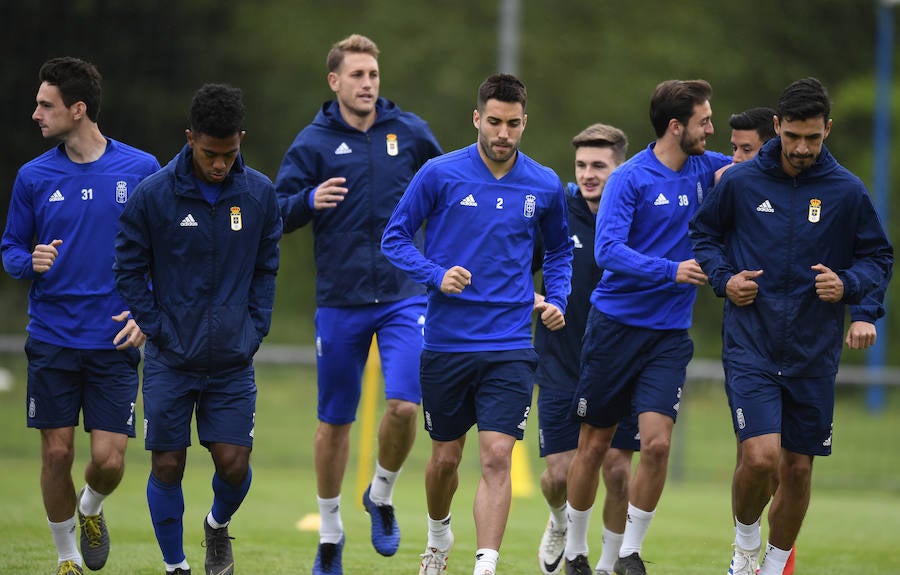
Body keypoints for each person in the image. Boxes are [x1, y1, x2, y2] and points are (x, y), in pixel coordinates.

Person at [689, 77, 893, 575]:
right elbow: (704, 236)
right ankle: (743, 549)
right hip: (752, 344)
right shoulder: (739, 183)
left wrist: (853, 295)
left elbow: (877, 256)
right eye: (794, 136)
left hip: (812, 351)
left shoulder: (846, 191)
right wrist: (724, 279)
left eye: (814, 138)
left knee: (798, 468)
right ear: (777, 127)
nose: (802, 148)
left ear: (828, 130)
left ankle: (776, 565)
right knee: (760, 459)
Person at [382, 73, 573, 575]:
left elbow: (557, 252)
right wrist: (435, 274)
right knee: (445, 460)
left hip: (510, 343)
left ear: (524, 123)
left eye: (513, 124)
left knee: (496, 457)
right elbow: (395, 238)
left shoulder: (545, 184)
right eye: (494, 122)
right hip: (447, 343)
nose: (503, 133)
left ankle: (484, 565)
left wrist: (559, 299)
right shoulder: (439, 174)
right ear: (476, 119)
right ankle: (439, 537)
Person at [274, 33, 442, 574]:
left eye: (373, 74)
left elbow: (451, 187)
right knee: (335, 421)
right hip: (340, 302)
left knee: (404, 405)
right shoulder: (313, 142)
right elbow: (273, 213)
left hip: (403, 296)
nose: (367, 83)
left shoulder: (410, 133)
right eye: (357, 75)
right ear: (335, 81)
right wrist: (307, 199)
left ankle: (382, 494)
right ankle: (329, 531)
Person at [563, 79, 732, 575]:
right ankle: (575, 550)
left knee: (656, 445)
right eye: (704, 120)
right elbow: (607, 251)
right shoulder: (630, 178)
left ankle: (627, 555)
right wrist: (671, 269)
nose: (711, 128)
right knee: (594, 446)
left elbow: (753, 165)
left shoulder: (708, 166)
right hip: (615, 327)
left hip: (669, 335)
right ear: (676, 127)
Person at [114, 83, 282, 575]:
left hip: (232, 360)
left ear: (240, 140)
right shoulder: (154, 195)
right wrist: (156, 325)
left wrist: (256, 328)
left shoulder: (259, 195)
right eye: (210, 153)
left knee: (234, 464)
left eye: (228, 154)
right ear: (190, 139)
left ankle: (216, 526)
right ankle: (176, 566)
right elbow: (127, 267)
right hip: (170, 358)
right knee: (168, 464)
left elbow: (267, 267)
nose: (219, 165)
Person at [1, 57, 159, 575]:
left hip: (114, 338)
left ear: (78, 109)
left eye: (46, 105)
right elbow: (10, 249)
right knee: (55, 454)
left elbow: (164, 252)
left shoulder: (141, 170)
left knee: (110, 460)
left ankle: (90, 507)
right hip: (51, 338)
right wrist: (30, 261)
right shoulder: (33, 176)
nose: (36, 114)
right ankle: (67, 559)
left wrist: (146, 311)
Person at [532, 124, 640, 575]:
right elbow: (514, 268)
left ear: (620, 169)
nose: (589, 174)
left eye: (600, 165)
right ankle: (559, 521)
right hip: (560, 361)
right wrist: (538, 301)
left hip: (621, 362)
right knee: (560, 474)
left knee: (615, 471)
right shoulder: (556, 211)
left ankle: (607, 564)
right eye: (582, 165)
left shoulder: (636, 215)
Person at [714, 107, 777, 184]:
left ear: (771, 148)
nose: (736, 158)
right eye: (735, 148)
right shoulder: (725, 180)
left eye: (746, 150)